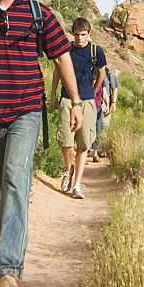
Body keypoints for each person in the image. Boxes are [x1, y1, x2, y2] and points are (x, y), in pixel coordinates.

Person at [0, 0, 82, 287]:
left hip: (25, 109)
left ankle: (8, 265)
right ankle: (12, 239)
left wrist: (76, 100)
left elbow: (61, 57)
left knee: (14, 178)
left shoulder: (39, 14)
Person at [51, 18, 106, 199]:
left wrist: (93, 93)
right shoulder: (66, 49)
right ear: (72, 34)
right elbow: (58, 70)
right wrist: (53, 93)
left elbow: (101, 73)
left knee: (83, 143)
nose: (80, 38)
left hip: (87, 101)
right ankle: (69, 170)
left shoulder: (95, 51)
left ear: (89, 34)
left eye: (83, 35)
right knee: (66, 140)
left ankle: (77, 184)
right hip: (67, 98)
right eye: (77, 35)